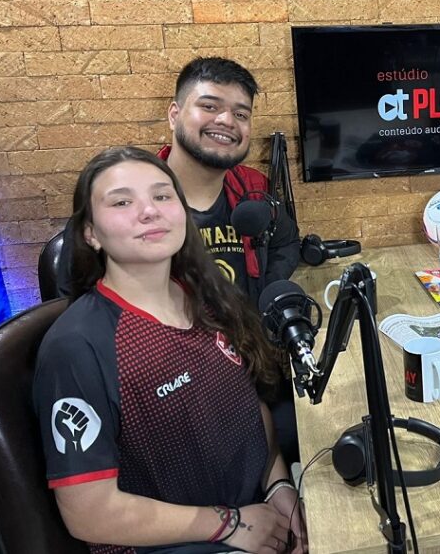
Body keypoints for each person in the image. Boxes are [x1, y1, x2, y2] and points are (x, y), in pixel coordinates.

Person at [33, 146, 306, 554]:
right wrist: (231, 525)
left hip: (252, 513)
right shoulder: (77, 346)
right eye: (122, 201)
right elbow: (89, 511)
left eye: (162, 196)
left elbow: (249, 410)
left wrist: (278, 485)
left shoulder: (208, 299)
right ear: (90, 232)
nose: (149, 211)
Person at [161, 57, 300, 300]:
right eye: (209, 107)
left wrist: (263, 295)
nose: (227, 121)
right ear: (174, 116)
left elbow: (286, 242)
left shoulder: (255, 187)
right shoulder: (129, 197)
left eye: (240, 114)